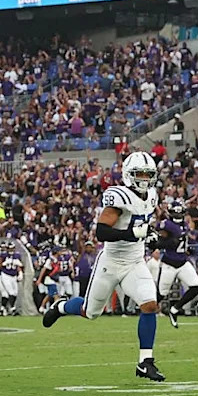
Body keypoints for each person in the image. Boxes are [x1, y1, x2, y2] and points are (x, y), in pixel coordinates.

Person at [43, 151, 164, 381]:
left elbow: (143, 225)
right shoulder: (118, 195)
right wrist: (132, 233)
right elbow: (101, 232)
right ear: (129, 174)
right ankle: (61, 307)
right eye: (140, 174)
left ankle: (145, 362)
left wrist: (151, 235)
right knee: (90, 312)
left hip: (135, 261)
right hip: (111, 262)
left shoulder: (151, 195)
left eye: (149, 174)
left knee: (149, 304)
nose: (145, 179)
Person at [154, 201, 198, 327]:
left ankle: (174, 309)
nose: (178, 215)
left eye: (180, 213)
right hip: (169, 263)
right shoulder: (166, 224)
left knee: (196, 286)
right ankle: (146, 312)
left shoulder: (184, 224)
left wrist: (187, 248)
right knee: (161, 294)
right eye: (176, 212)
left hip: (182, 261)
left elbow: (182, 241)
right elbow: (157, 240)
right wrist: (168, 242)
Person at [0, 240, 23, 315]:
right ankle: (13, 309)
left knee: (14, 293)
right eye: (10, 248)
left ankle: (2, 309)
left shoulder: (17, 255)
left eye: (13, 248)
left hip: (13, 276)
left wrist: (20, 272)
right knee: (11, 293)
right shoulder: (4, 255)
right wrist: (4, 264)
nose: (12, 250)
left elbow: (20, 266)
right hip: (5, 275)